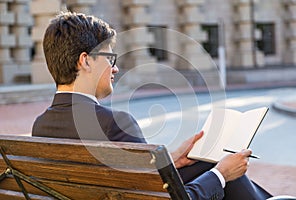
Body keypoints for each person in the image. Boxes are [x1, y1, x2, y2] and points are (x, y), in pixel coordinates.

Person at [32, 11, 272, 200]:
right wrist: (221, 175)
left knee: (203, 163)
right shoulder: (113, 123)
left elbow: (131, 182)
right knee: (223, 173)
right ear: (85, 61)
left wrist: (170, 161)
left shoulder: (41, 127)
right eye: (110, 58)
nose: (115, 68)